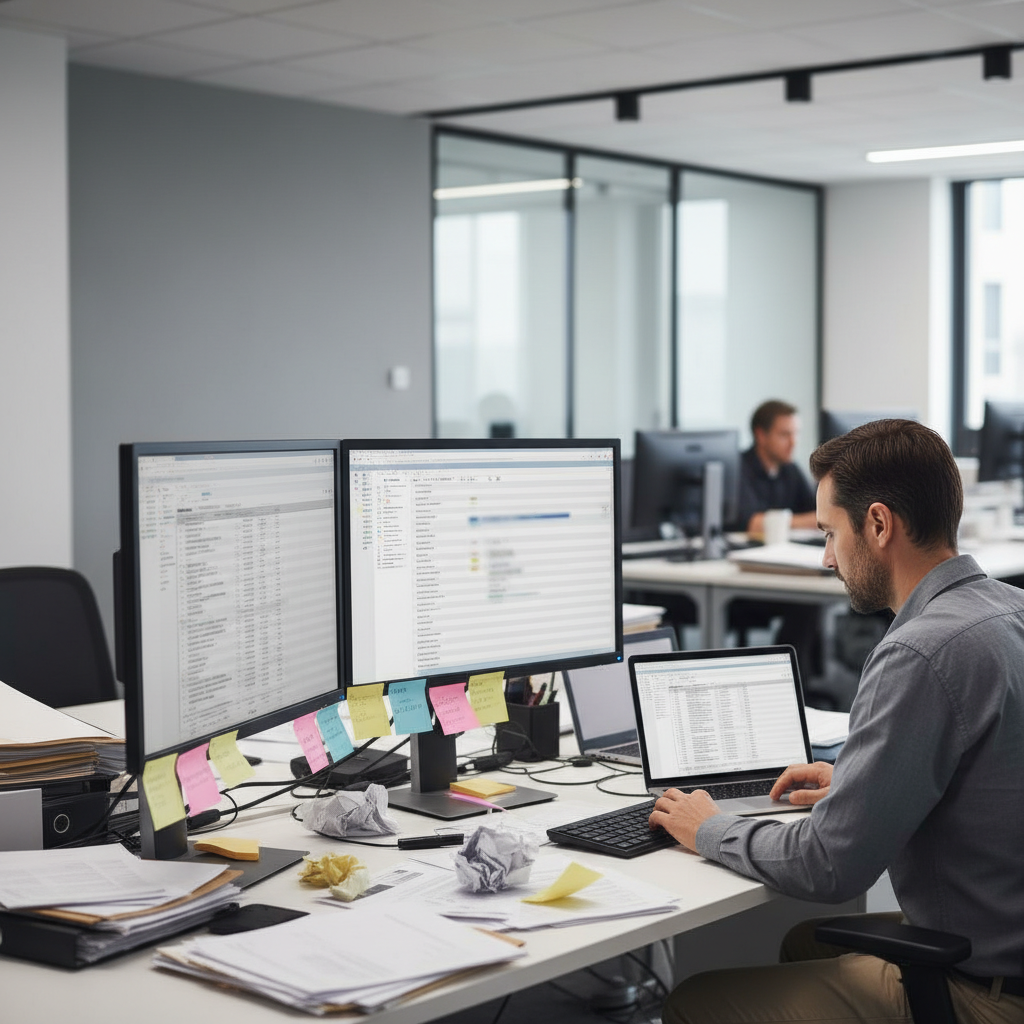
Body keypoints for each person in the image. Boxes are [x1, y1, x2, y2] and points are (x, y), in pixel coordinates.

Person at [653, 419, 1024, 1024]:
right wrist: (858, 779)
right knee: (808, 943)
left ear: (878, 525)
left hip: (989, 989)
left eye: (829, 533)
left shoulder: (920, 653)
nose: (826, 557)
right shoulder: (1011, 610)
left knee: (693, 1004)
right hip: (1006, 932)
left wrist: (707, 827)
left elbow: (828, 864)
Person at [737, 399, 817, 535]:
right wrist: (805, 521)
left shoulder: (791, 469)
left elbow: (819, 514)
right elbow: (752, 523)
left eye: (796, 434)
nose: (793, 442)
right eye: (785, 435)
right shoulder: (739, 468)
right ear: (761, 435)